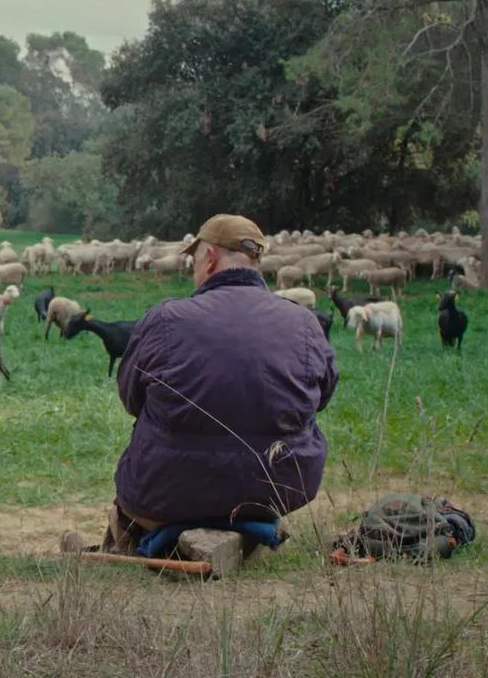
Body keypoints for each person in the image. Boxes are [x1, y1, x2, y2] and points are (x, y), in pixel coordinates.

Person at [104, 214, 338, 553]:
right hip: (278, 488)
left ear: (210, 258)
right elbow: (322, 396)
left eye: (195, 260)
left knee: (146, 481)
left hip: (168, 489)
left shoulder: (167, 318)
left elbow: (131, 398)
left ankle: (132, 536)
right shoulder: (304, 322)